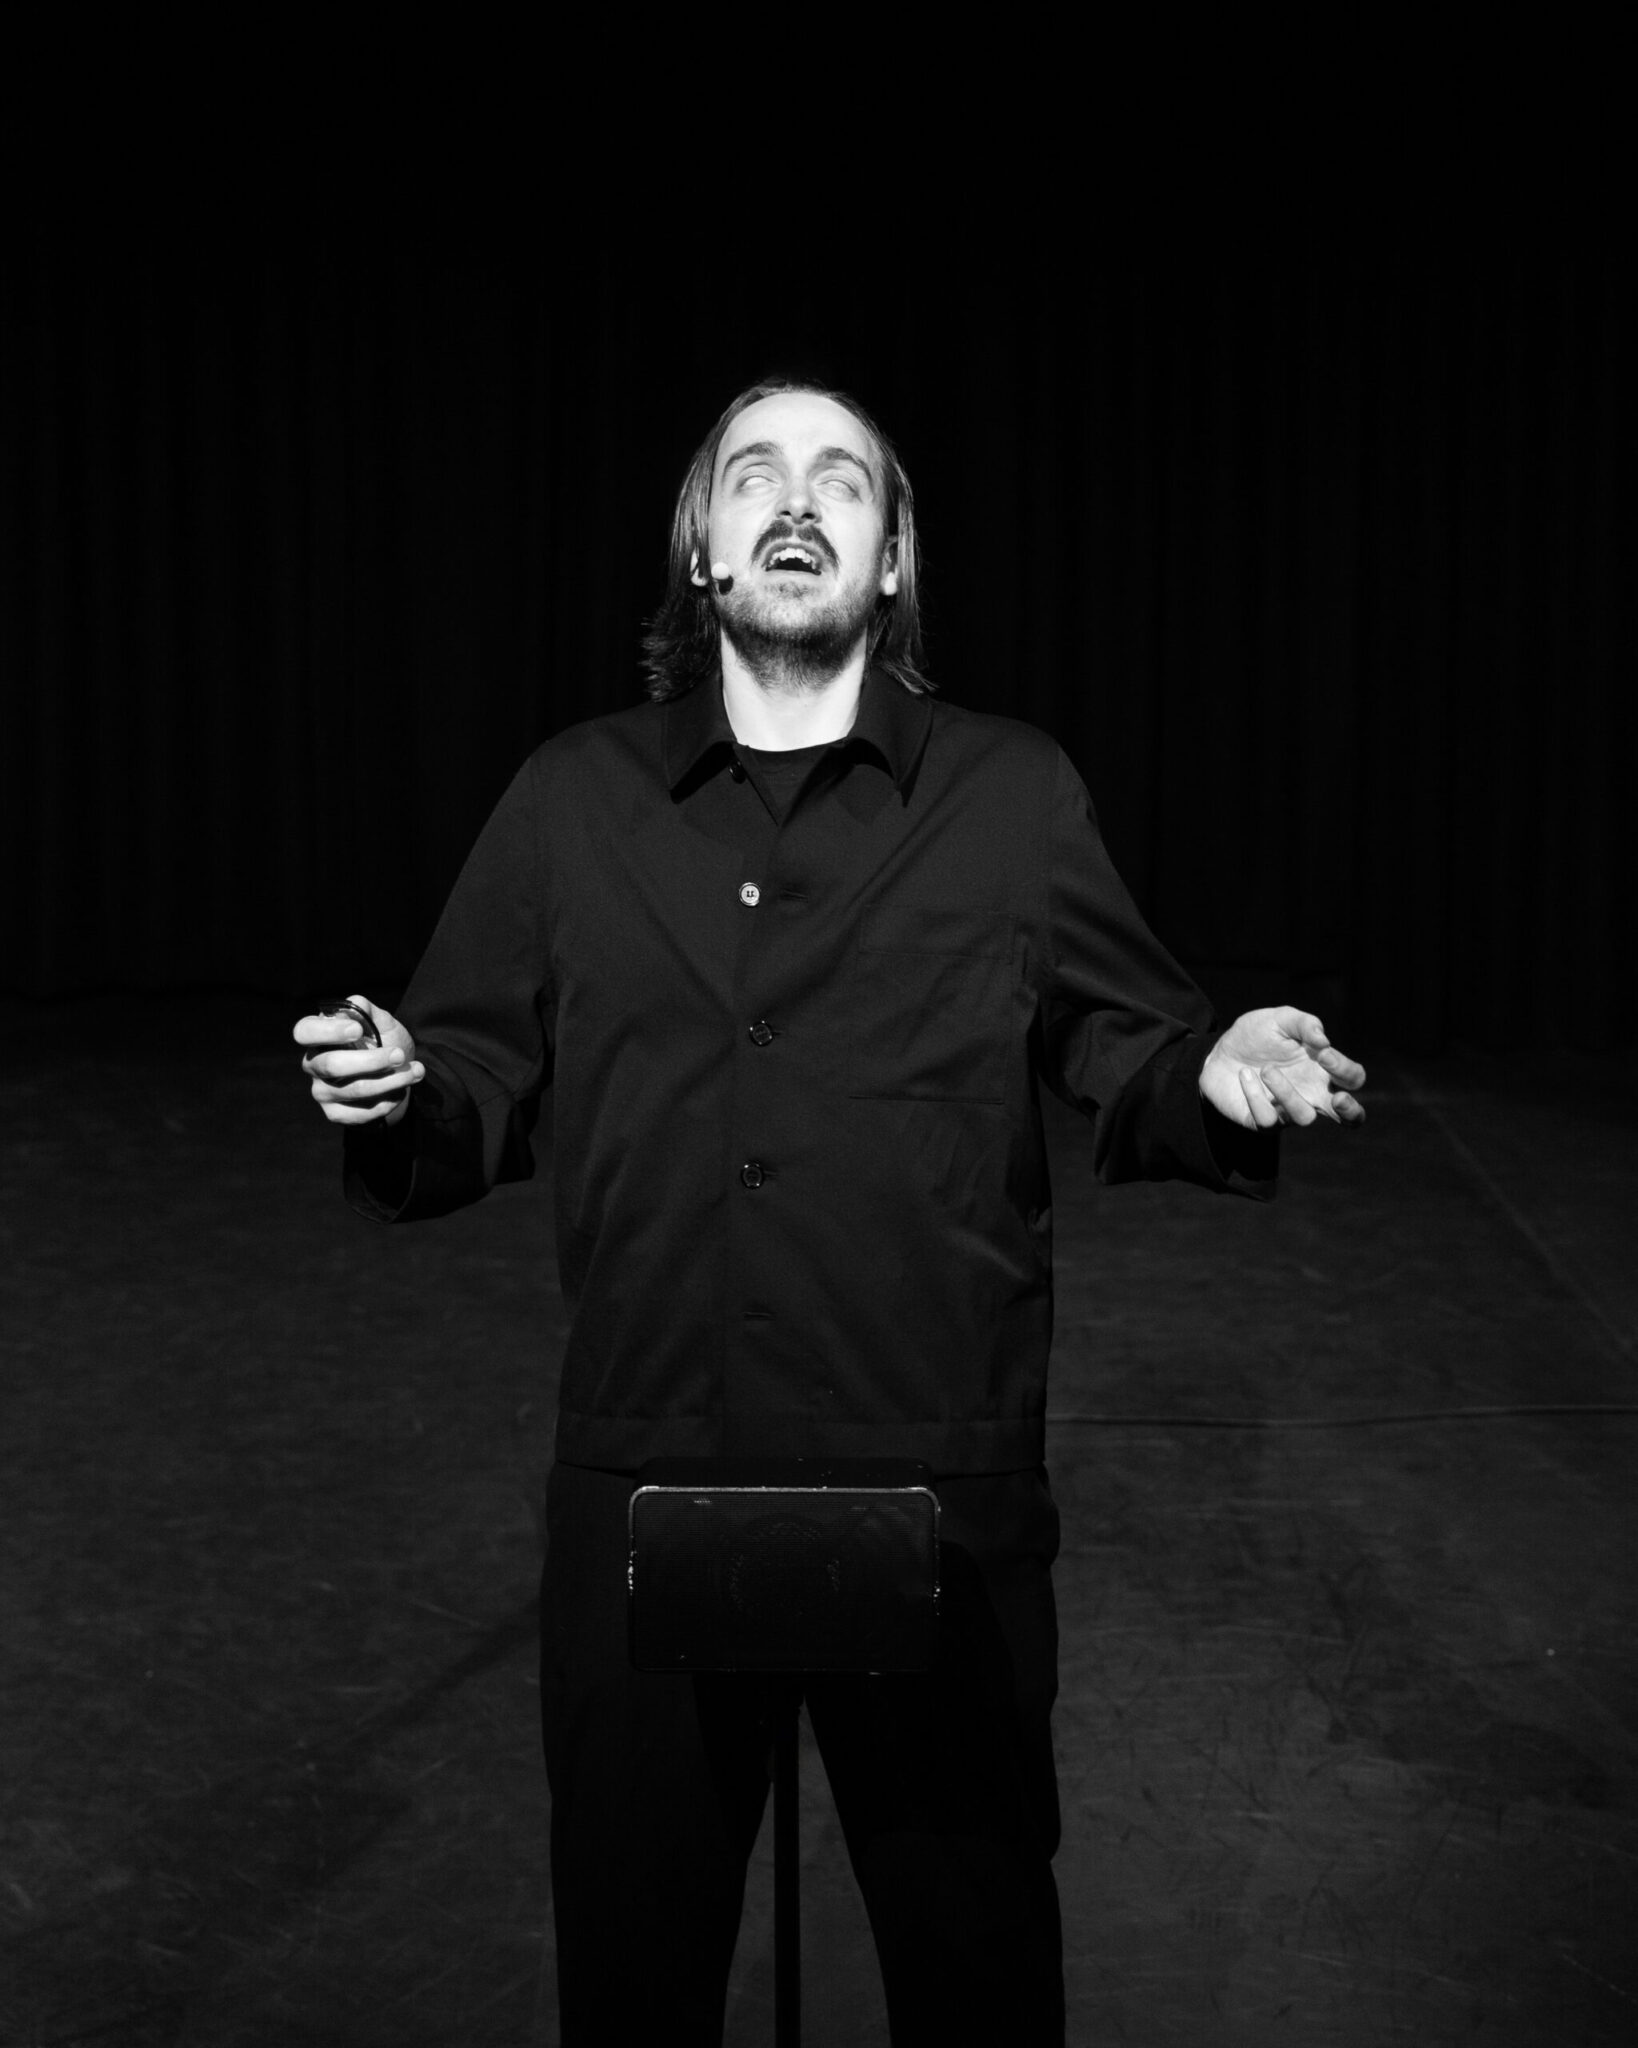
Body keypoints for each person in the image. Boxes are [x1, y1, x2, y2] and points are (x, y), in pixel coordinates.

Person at [294, 377, 1366, 2045]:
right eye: (754, 477)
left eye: (840, 482)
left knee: (974, 1968)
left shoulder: (1010, 794)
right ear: (703, 552)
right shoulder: (572, 798)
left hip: (928, 1471)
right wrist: (397, 1088)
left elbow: (1123, 1040)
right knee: (635, 1975)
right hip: (651, 1462)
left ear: (891, 560)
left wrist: (1209, 1072)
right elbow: (472, 1074)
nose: (796, 503)